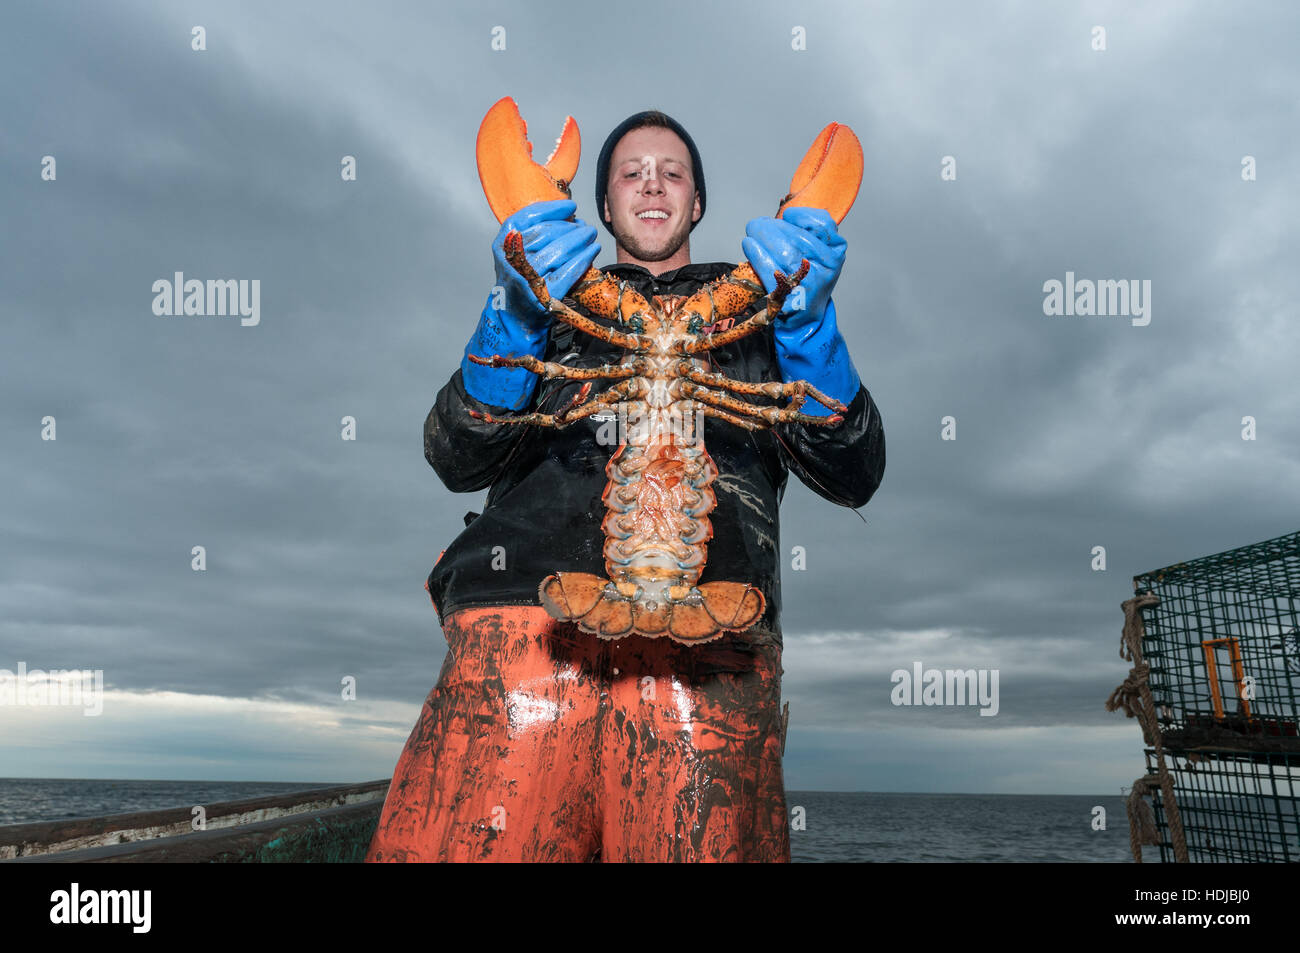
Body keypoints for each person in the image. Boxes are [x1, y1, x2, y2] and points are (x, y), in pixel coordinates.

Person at [365, 109, 885, 863]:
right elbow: (456, 456)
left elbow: (855, 472)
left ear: (696, 205)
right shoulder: (556, 302)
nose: (651, 181)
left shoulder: (761, 316)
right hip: (523, 632)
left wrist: (808, 329)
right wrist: (512, 313)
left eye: (672, 172)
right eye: (630, 172)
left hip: (713, 648)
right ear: (603, 207)